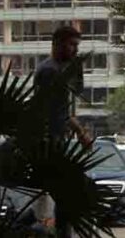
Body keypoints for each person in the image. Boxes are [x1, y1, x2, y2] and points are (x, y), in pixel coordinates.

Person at [33, 25, 92, 236]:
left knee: (65, 200)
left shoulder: (60, 70)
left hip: (56, 142)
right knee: (65, 198)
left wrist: (76, 70)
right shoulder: (49, 71)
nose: (75, 50)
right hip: (48, 144)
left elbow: (75, 94)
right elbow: (56, 112)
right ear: (57, 44)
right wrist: (81, 132)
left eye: (77, 46)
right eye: (72, 45)